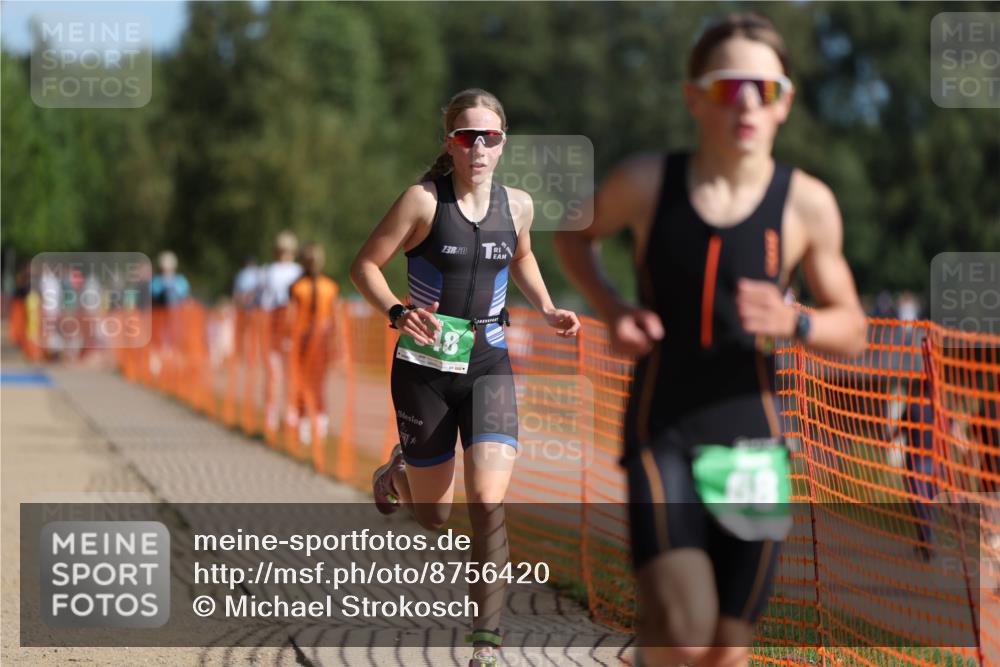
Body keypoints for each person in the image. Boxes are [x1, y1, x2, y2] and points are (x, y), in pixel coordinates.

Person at [554, 13, 867, 667]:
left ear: (785, 103)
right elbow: (571, 235)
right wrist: (613, 307)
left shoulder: (807, 204)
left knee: (727, 649)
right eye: (729, 86)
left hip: (754, 442)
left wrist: (798, 322)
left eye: (766, 87)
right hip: (660, 429)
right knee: (683, 623)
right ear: (694, 97)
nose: (748, 101)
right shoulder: (644, 183)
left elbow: (853, 329)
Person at [350, 88, 580, 667]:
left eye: (489, 137)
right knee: (435, 515)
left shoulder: (518, 205)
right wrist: (398, 313)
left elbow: (521, 257)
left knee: (488, 501)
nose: (478, 147)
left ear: (503, 143)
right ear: (449, 143)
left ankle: (486, 640)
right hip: (424, 368)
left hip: (489, 363)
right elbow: (364, 266)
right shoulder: (422, 202)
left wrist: (548, 308)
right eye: (465, 136)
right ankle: (399, 468)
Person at [287, 244, 340, 447]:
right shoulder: (310, 287)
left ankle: (312, 424)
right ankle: (313, 424)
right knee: (312, 384)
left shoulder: (303, 287)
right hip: (309, 343)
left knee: (307, 384)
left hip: (311, 344)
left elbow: (291, 318)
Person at [258, 231, 303, 435]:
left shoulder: (281, 271)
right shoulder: (283, 271)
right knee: (280, 374)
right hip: (280, 325)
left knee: (282, 374)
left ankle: (285, 416)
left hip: (286, 325)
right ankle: (278, 416)